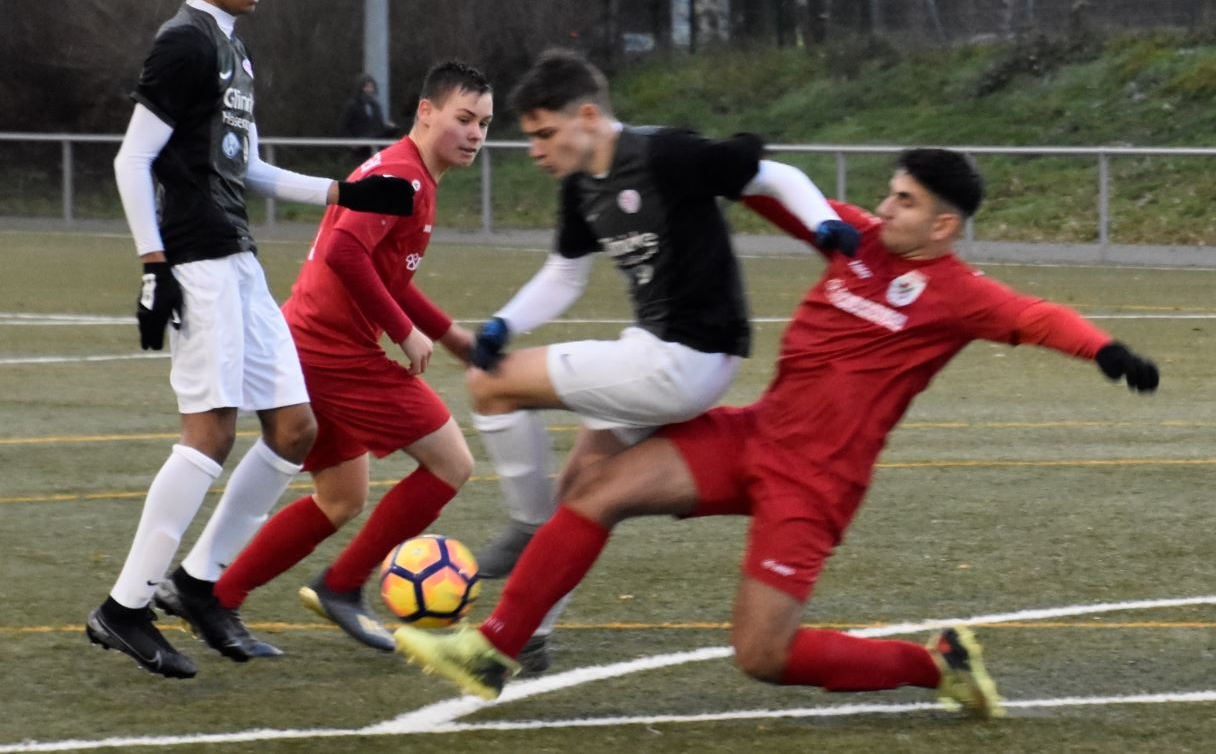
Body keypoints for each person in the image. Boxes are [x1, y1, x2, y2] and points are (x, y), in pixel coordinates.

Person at [394, 147, 1160, 716]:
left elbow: (1036, 316)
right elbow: (771, 193)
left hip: (815, 483)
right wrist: (701, 162)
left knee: (763, 653)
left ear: (943, 224)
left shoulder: (960, 294)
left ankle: (936, 665)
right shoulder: (855, 238)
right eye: (888, 193)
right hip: (755, 436)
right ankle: (495, 649)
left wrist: (1107, 351)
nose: (885, 207)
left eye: (903, 200)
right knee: (596, 488)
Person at [87, 0, 415, 680]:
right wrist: (154, 265)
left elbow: (251, 169)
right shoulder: (184, 43)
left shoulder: (233, 50)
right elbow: (132, 159)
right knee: (209, 434)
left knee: (295, 429)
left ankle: (199, 586)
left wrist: (344, 192)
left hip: (237, 258)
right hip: (196, 262)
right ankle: (124, 608)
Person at [460, 47, 860, 673]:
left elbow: (773, 175)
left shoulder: (666, 154)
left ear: (587, 116)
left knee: (490, 385)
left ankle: (524, 523)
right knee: (583, 490)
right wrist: (505, 322)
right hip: (666, 357)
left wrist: (823, 224)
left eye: (544, 133)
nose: (535, 150)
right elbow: (565, 275)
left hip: (680, 358)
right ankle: (529, 634)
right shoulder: (581, 187)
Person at [198, 61, 492, 654]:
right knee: (451, 463)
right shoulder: (404, 176)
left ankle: (217, 597)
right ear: (426, 111)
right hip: (333, 352)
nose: (475, 134)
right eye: (464, 118)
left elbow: (389, 275)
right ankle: (343, 585)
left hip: (309, 342)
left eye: (484, 124)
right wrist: (404, 333)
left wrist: (452, 338)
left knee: (341, 497)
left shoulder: (411, 174)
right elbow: (343, 252)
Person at [339, 73, 399, 164]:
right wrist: (351, 144)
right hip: (359, 151)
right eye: (366, 87)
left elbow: (379, 129)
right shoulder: (352, 105)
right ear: (360, 88)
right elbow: (343, 127)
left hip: (374, 150)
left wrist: (390, 129)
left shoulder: (375, 106)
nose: (369, 90)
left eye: (371, 87)